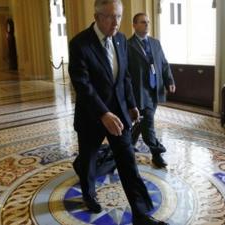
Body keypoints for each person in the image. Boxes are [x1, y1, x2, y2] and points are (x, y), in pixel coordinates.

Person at [68, 1, 169, 224]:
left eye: (120, 16)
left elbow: (125, 77)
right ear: (97, 16)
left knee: (128, 163)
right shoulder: (79, 44)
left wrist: (132, 105)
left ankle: (141, 215)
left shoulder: (121, 40)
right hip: (92, 116)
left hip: (120, 115)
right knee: (88, 159)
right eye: (110, 17)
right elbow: (83, 85)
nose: (116, 22)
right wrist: (103, 114)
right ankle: (88, 193)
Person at [127, 12, 176, 168]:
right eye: (143, 22)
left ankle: (126, 147)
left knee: (140, 123)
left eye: (148, 21)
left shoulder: (155, 43)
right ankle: (157, 153)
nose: (147, 24)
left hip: (155, 90)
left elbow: (163, 63)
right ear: (134, 25)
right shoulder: (128, 45)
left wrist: (170, 80)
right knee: (148, 123)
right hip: (139, 92)